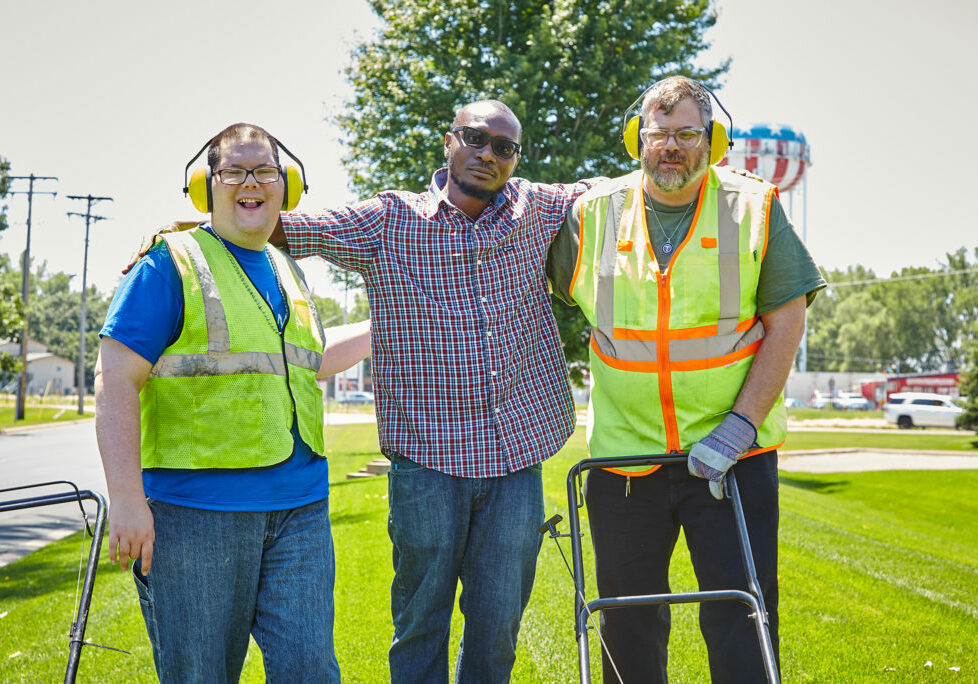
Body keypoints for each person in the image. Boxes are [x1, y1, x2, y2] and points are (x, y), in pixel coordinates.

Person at [271, 100, 596, 683]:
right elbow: (288, 229)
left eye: (504, 147)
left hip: (515, 458)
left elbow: (615, 189)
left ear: (514, 159)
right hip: (427, 461)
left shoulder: (534, 207)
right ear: (449, 142)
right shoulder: (388, 221)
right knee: (421, 622)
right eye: (476, 138)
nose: (488, 154)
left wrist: (717, 175)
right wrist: (194, 230)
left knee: (498, 625)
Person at [546, 76, 825, 683]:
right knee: (627, 622)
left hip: (733, 457)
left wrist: (741, 427)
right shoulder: (591, 214)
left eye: (688, 134)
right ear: (636, 140)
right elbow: (523, 294)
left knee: (741, 620)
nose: (671, 146)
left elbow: (787, 322)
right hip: (623, 462)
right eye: (659, 134)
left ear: (713, 140)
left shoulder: (754, 207)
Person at [95, 123, 369, 683]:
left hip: (300, 512)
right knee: (201, 675)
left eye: (265, 170)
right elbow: (115, 377)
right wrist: (125, 498)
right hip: (197, 516)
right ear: (207, 186)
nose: (251, 182)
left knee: (311, 672)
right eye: (234, 171)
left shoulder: (288, 271)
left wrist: (391, 323)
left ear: (285, 184)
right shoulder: (170, 263)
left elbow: (307, 361)